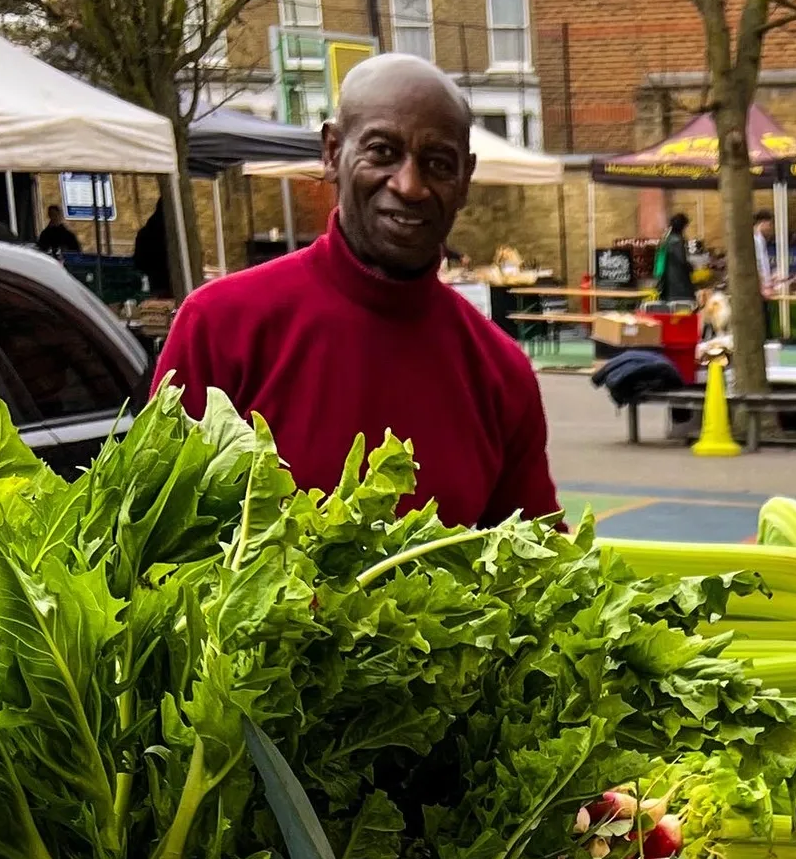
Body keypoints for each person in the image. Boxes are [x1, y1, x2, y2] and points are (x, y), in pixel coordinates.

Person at [152, 54, 557, 525]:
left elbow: (538, 564)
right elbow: (159, 545)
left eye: (438, 163)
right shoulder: (221, 326)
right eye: (383, 152)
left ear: (465, 179)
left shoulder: (500, 372)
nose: (409, 185)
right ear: (332, 153)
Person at [654, 211, 698, 309]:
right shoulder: (677, 240)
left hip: (667, 282)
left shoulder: (667, 238)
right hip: (678, 283)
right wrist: (691, 267)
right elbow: (681, 260)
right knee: (682, 308)